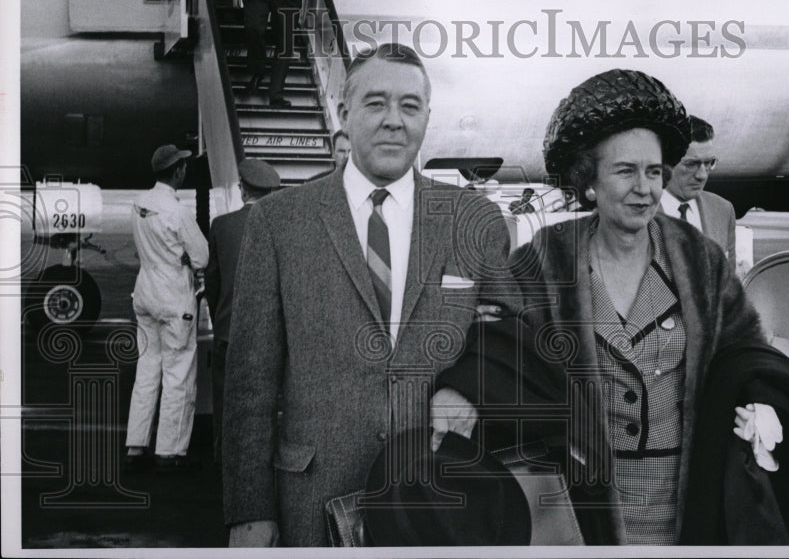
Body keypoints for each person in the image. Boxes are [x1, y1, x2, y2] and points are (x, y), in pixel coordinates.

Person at [436, 70, 789, 544]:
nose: (645, 188)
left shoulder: (698, 260)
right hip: (581, 506)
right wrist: (461, 391)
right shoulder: (549, 256)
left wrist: (767, 407)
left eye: (653, 172)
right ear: (589, 183)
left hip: (692, 500)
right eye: (625, 171)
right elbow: (497, 339)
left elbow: (745, 353)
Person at [222, 43, 522, 547]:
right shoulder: (279, 222)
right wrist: (249, 511)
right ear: (344, 113)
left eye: (410, 106)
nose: (393, 121)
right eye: (376, 103)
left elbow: (508, 334)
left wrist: (464, 387)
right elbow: (250, 380)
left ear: (427, 116)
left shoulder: (473, 219)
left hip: (437, 496)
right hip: (313, 498)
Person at [124, 144, 208, 471]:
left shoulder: (139, 204)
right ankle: (168, 451)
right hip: (174, 297)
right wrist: (184, 257)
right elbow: (201, 256)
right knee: (177, 375)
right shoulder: (178, 212)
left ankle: (135, 444)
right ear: (177, 172)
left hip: (144, 291)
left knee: (146, 371)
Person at [203, 158, 280, 466]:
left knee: (226, 398)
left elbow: (212, 281)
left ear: (241, 189)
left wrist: (220, 316)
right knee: (266, 400)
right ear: (271, 192)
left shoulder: (221, 226)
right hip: (269, 332)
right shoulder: (282, 227)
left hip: (228, 329)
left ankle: (224, 457)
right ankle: (262, 458)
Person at [659, 115, 736, 267]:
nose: (702, 175)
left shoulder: (723, 210)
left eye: (708, 163)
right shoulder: (637, 213)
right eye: (691, 164)